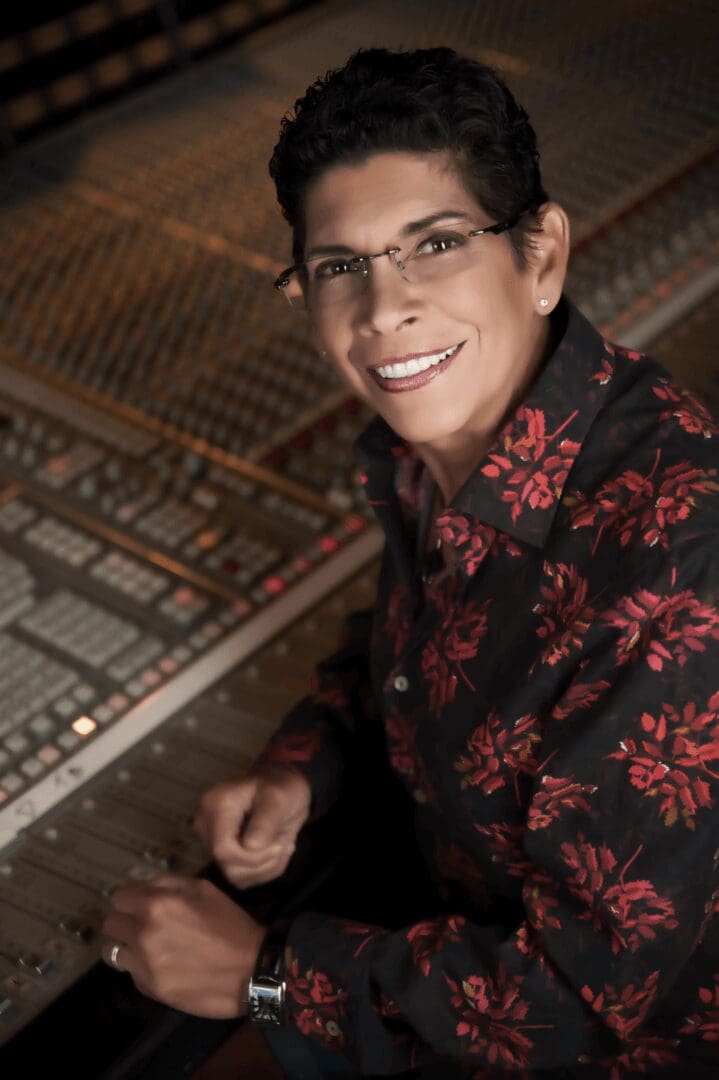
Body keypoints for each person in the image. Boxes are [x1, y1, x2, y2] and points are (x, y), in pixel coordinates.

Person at [101, 47, 719, 1077]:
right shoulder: (430, 450)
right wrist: (304, 769)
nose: (382, 309)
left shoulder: (673, 573)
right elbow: (417, 647)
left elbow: (588, 1010)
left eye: (431, 245)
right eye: (340, 266)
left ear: (541, 255)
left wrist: (262, 973)